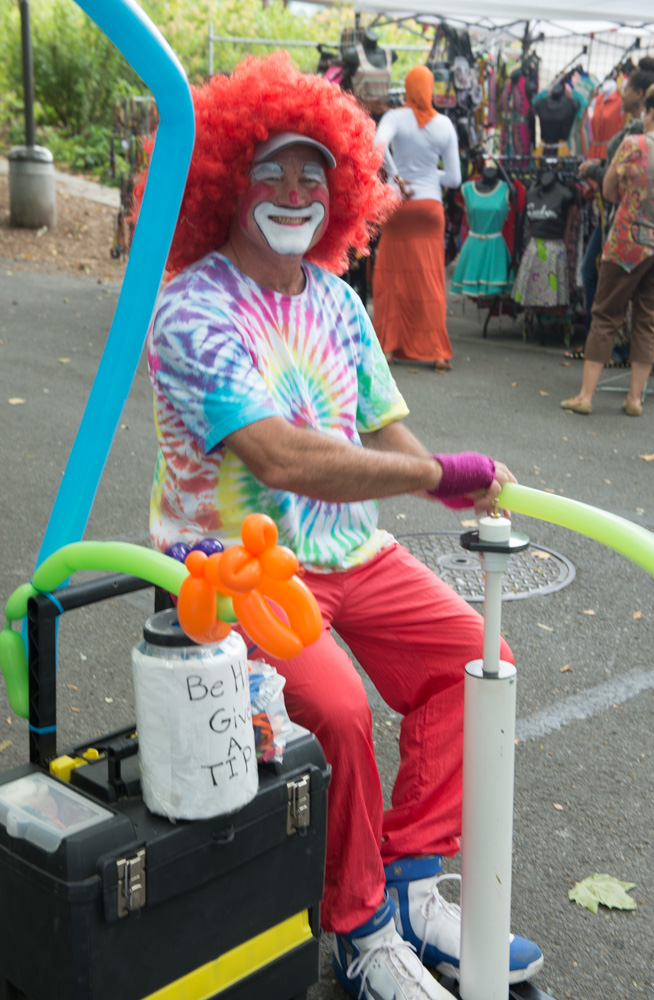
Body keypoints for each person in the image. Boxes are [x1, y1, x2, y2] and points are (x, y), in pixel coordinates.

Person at [135, 53, 543, 1000]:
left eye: (313, 169)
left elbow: (379, 418)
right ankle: (360, 930)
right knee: (342, 713)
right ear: (224, 183)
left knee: (476, 663)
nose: (293, 187)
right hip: (234, 567)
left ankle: (406, 881)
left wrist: (443, 478)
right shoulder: (191, 309)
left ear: (343, 188)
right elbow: (277, 456)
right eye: (270, 167)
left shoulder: (332, 299)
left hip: (348, 547)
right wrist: (433, 473)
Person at [561, 80, 654, 416]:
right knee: (649, 320)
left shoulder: (634, 144)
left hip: (627, 243)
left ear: (649, 111)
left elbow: (608, 191)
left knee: (606, 314)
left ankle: (586, 395)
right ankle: (634, 399)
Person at [372, 65, 462, 372]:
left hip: (398, 207)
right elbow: (453, 179)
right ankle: (437, 352)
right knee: (430, 279)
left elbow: (376, 146)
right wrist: (428, 174)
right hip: (429, 208)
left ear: (408, 89)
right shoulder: (445, 125)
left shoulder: (395, 117)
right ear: (431, 89)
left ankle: (387, 348)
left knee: (392, 278)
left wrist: (396, 176)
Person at [570, 57, 654, 358]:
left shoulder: (635, 137)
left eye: (627, 87)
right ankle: (632, 374)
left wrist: (595, 170)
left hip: (626, 223)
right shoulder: (638, 132)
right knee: (648, 310)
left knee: (605, 289)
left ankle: (607, 350)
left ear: (640, 96)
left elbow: (613, 187)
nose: (621, 92)